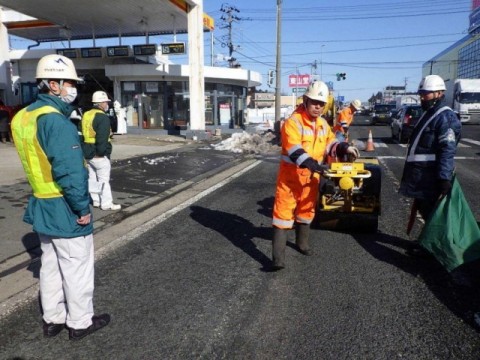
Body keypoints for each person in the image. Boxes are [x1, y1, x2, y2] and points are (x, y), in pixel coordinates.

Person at [10, 54, 110, 340]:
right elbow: (69, 171)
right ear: (52, 85)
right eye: (69, 83)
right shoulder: (56, 122)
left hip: (41, 201)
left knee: (50, 264)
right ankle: (80, 322)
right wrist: (82, 208)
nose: (73, 88)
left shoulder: (23, 117)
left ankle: (52, 318)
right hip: (65, 205)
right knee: (76, 267)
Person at [271, 81, 360, 270]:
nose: (318, 107)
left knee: (306, 212)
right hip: (290, 180)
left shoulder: (322, 125)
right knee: (283, 216)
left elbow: (330, 144)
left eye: (321, 103)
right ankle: (278, 259)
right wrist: (314, 165)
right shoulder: (293, 122)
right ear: (305, 100)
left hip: (311, 179)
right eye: (314, 102)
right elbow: (294, 149)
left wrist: (345, 147)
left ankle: (302, 244)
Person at [399, 74, 461, 255]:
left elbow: (447, 150)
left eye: (426, 93)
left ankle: (433, 249)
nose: (422, 97)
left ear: (439, 93)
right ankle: (425, 243)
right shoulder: (430, 113)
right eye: (421, 93)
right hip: (421, 176)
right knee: (425, 211)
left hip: (431, 177)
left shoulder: (445, 117)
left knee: (432, 214)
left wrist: (443, 178)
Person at [81, 91, 121, 211]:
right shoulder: (102, 117)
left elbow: (81, 132)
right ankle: (106, 204)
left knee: (92, 178)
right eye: (106, 102)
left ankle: (96, 201)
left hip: (87, 152)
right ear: (101, 103)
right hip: (97, 153)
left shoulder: (86, 114)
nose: (107, 104)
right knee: (104, 180)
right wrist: (101, 153)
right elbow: (102, 138)